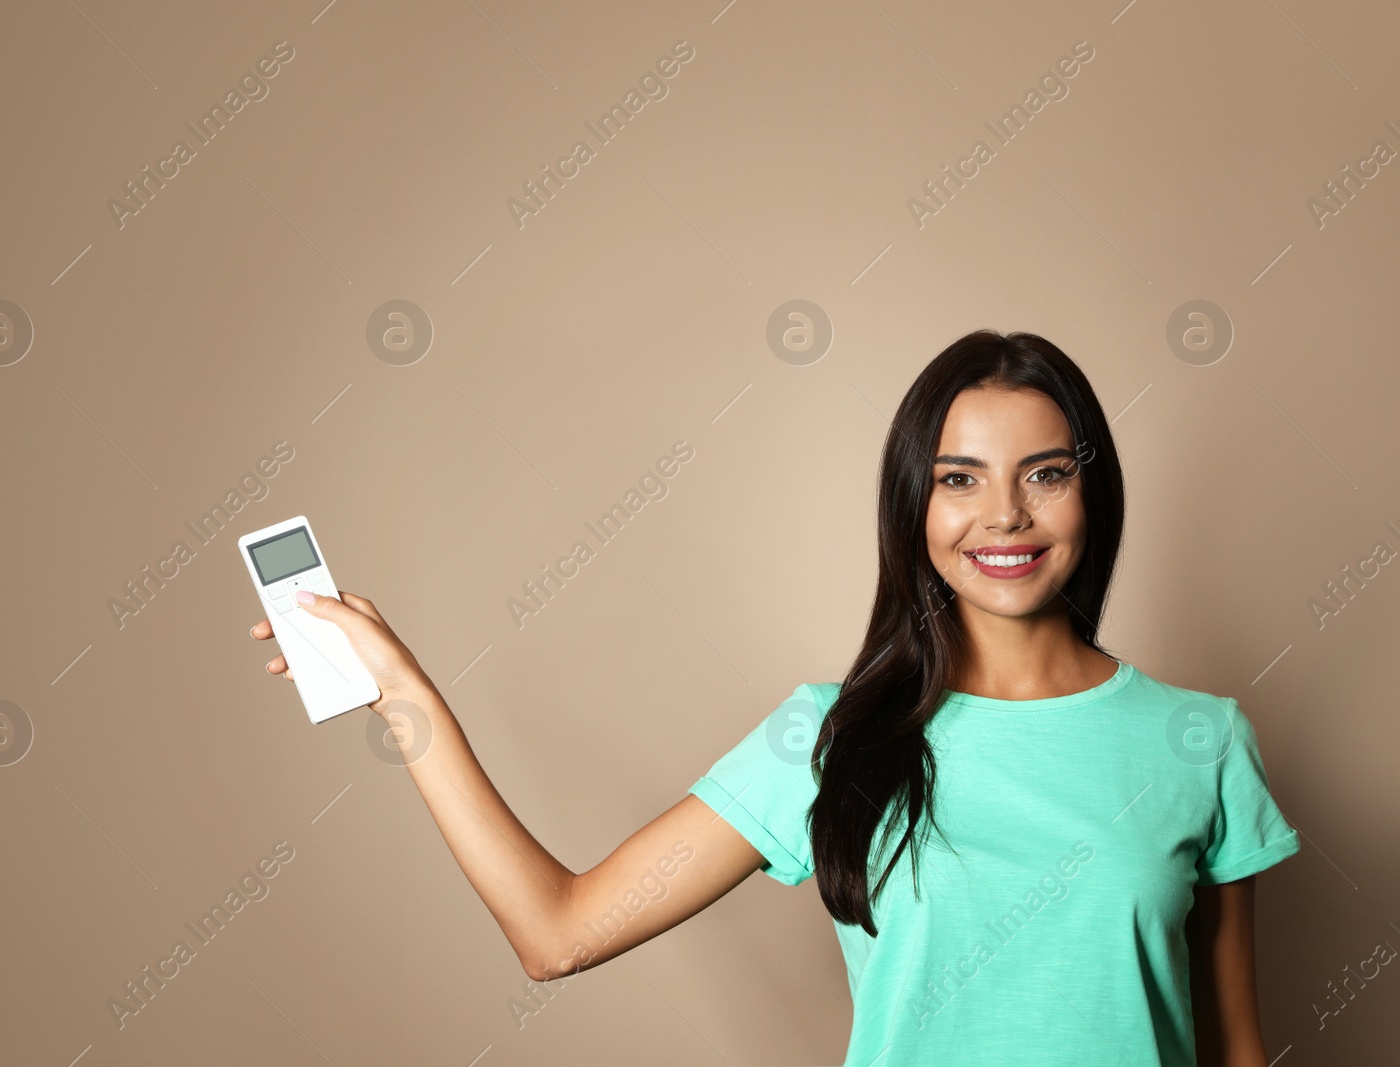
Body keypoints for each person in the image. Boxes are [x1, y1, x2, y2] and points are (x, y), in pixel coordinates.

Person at [249, 329, 1300, 1066]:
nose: (1006, 515)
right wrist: (407, 696)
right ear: (913, 506)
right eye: (959, 477)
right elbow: (555, 930)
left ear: (1092, 489)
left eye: (1046, 473)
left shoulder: (1198, 740)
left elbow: (1235, 1047)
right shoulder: (830, 735)